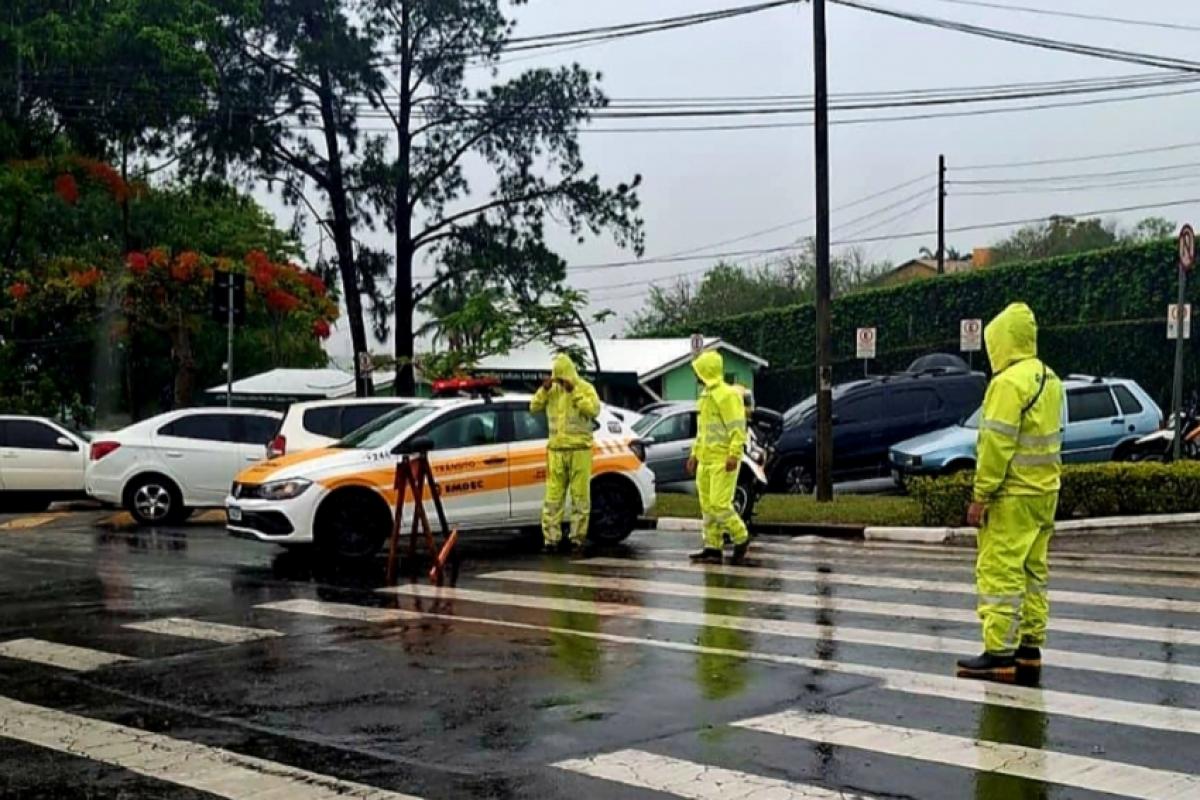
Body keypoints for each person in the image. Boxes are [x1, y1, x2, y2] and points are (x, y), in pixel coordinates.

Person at [957, 302, 1063, 683]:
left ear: (1003, 341)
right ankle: (1029, 648)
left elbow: (996, 445)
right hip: (1045, 492)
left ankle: (999, 652)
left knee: (1001, 571)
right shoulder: (1049, 378)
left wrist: (980, 495)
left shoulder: (1006, 384)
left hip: (1012, 496)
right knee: (1034, 571)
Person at [530, 353, 601, 554]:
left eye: (562, 378)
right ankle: (551, 540)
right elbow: (534, 406)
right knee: (553, 497)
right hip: (556, 451)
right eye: (557, 378)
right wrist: (544, 390)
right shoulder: (551, 391)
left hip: (580, 450)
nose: (559, 382)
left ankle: (577, 539)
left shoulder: (585, 388)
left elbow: (594, 410)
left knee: (580, 496)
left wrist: (574, 392)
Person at [686, 350, 751, 565]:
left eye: (698, 370)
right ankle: (712, 547)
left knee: (719, 504)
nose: (695, 375)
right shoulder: (705, 397)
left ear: (706, 371)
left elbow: (738, 428)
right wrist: (694, 454)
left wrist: (734, 454)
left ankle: (741, 537)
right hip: (706, 460)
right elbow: (702, 431)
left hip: (723, 460)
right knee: (707, 506)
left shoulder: (728, 395)